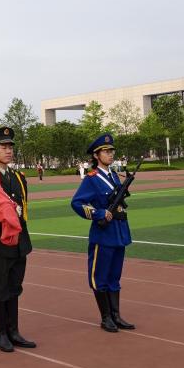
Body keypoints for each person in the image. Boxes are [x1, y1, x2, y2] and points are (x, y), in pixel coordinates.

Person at [0, 127, 36, 352]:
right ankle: (0, 333)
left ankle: (14, 331)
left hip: (19, 240)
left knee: (14, 287)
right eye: (3, 147)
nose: (9, 151)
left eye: (10, 147)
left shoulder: (18, 177)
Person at [70, 133, 135, 333]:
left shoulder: (114, 176)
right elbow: (77, 203)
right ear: (96, 155)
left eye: (111, 150)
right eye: (106, 151)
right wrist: (98, 213)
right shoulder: (91, 179)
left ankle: (116, 315)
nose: (110, 154)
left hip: (118, 232)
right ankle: (106, 317)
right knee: (100, 276)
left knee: (115, 276)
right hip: (103, 234)